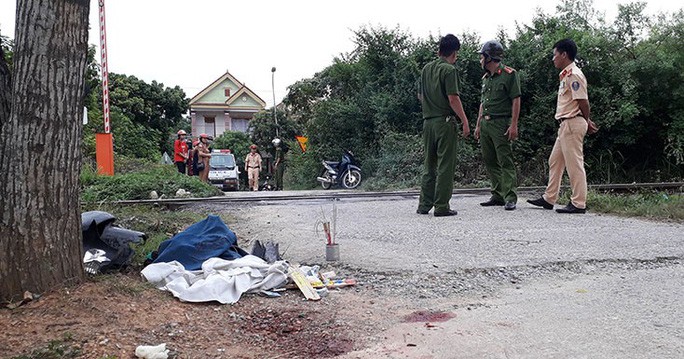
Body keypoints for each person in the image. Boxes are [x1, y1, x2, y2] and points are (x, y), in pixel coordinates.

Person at [527, 39, 598, 214]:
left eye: (555, 55)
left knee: (574, 163)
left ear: (564, 54)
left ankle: (578, 203)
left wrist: (586, 120)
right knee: (555, 161)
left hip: (572, 122)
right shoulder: (566, 74)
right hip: (566, 124)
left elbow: (583, 101)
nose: (553, 59)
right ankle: (549, 198)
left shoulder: (574, 74)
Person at [416, 34, 470, 217]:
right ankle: (441, 206)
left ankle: (424, 205)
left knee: (429, 164)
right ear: (455, 53)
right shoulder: (449, 70)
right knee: (445, 165)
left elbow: (420, 96)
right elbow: (453, 98)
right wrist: (464, 121)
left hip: (428, 122)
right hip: (444, 122)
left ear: (439, 50)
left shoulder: (426, 69)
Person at [474, 40, 521, 211]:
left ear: (489, 57)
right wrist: (478, 125)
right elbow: (482, 102)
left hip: (501, 123)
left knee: (505, 160)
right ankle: (497, 194)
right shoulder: (486, 78)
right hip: (486, 123)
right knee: (490, 160)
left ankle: (510, 197)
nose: (480, 60)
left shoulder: (509, 74)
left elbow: (516, 99)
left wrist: (514, 124)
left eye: (482, 56)